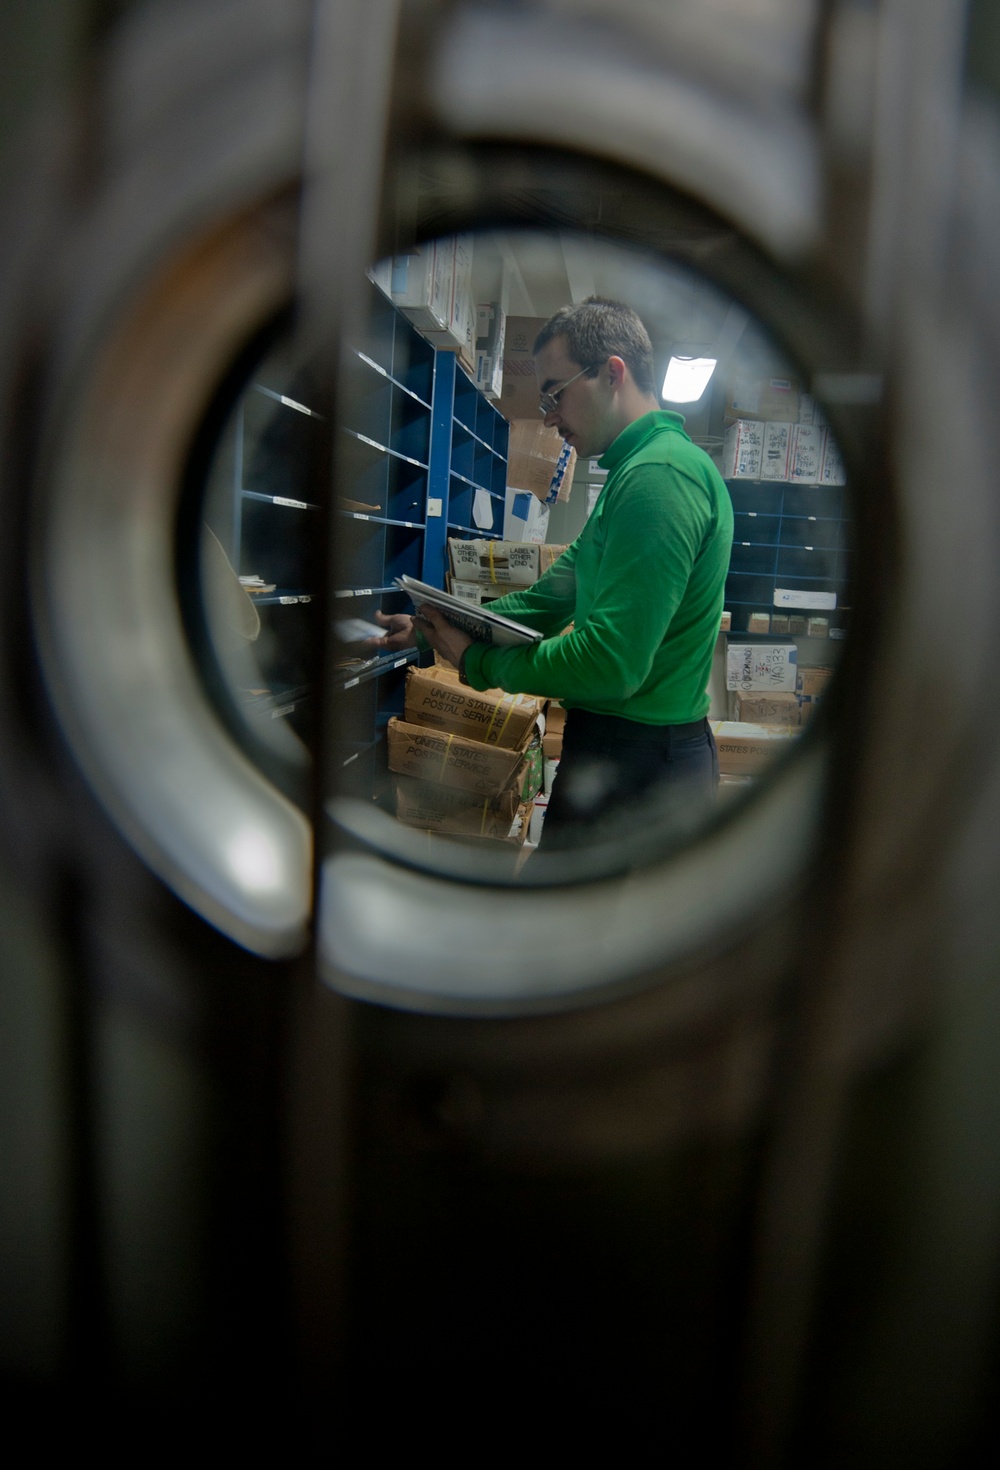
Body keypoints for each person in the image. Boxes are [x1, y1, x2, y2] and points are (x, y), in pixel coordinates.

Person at [370, 297, 734, 853]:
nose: (547, 416)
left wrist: (480, 661)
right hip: (625, 756)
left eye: (555, 393)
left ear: (612, 373)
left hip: (640, 773)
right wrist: (432, 624)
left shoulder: (659, 476)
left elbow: (612, 664)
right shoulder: (634, 474)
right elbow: (546, 600)